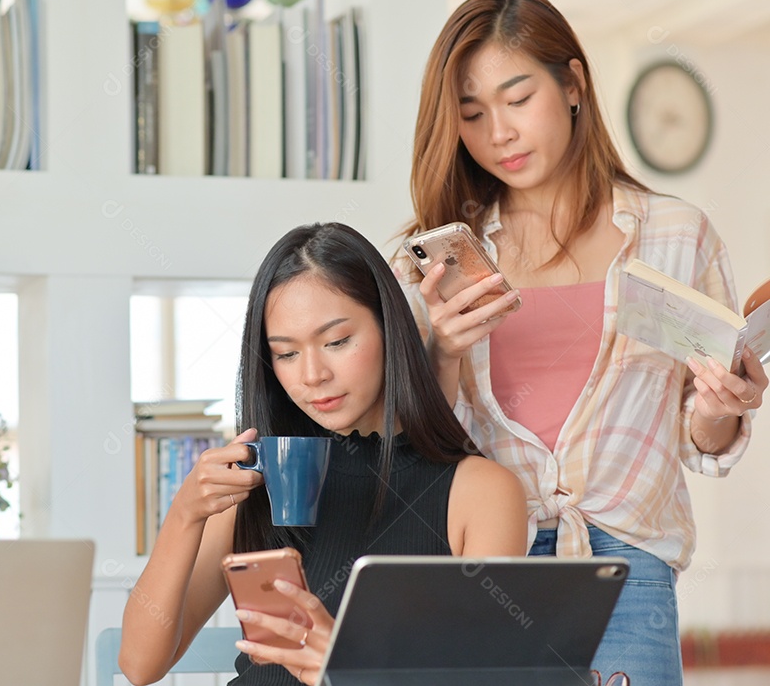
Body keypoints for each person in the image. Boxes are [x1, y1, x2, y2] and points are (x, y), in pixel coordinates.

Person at [398, 0, 768, 685]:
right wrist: (441, 352)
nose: (498, 133)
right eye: (471, 114)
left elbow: (700, 437)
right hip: (486, 560)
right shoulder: (436, 262)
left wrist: (722, 406)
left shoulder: (675, 236)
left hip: (625, 570)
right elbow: (416, 449)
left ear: (573, 85)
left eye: (517, 98)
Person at [120, 222, 526, 686]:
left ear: (389, 329)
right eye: (286, 354)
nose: (312, 375)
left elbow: (484, 676)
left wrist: (348, 669)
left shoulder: (481, 492)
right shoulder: (256, 478)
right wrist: (184, 513)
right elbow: (140, 665)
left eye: (336, 342)